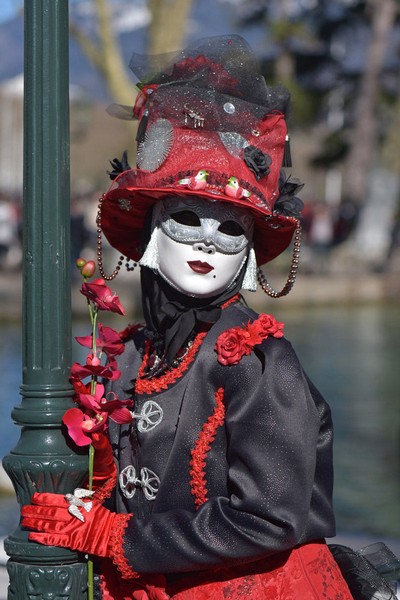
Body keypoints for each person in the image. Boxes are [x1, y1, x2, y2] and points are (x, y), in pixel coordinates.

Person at [21, 35, 356, 599]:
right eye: (185, 218)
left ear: (249, 249)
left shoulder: (257, 358)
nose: (207, 240)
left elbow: (272, 517)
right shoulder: (135, 352)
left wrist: (118, 538)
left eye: (230, 228)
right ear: (151, 230)